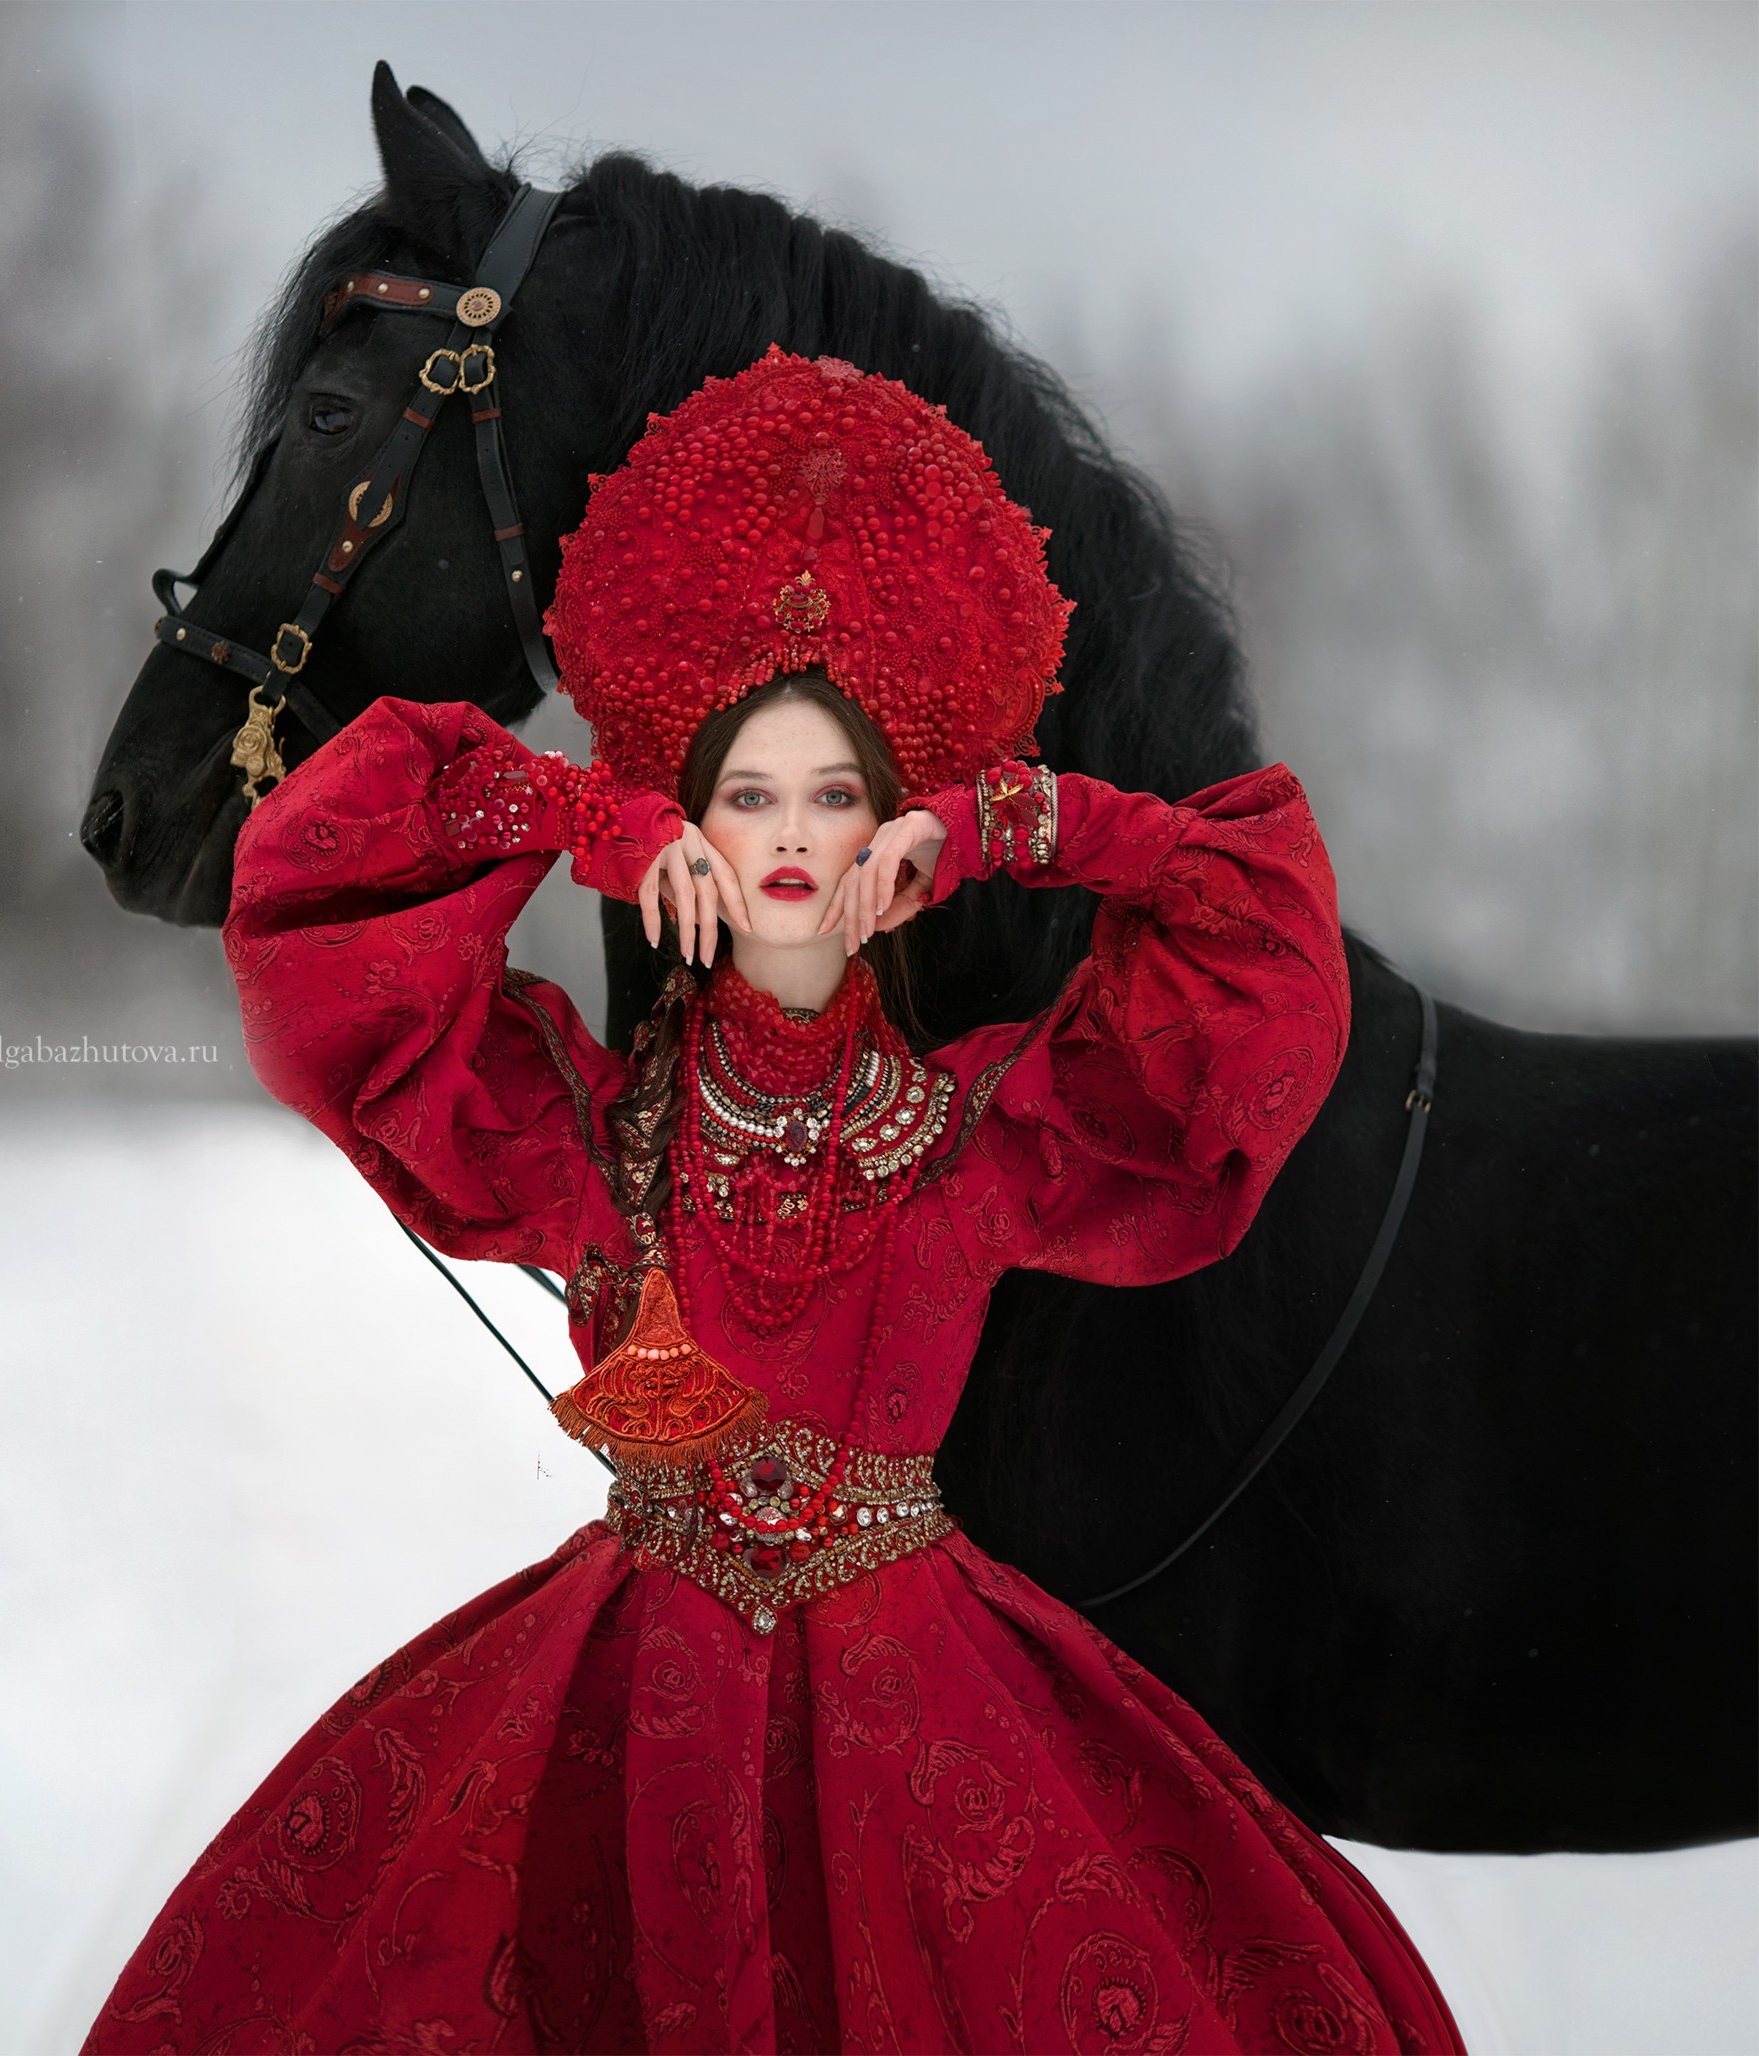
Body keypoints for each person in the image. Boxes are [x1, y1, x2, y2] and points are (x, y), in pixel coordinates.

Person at [85, 348, 1462, 2054]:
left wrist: (1025, 821)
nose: (794, 838)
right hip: (614, 1704)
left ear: (898, 840)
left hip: (922, 1709)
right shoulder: (585, 1134)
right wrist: (581, 817)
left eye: (839, 799)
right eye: (751, 797)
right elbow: (323, 907)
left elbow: (1255, 951)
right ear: (696, 828)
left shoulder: (982, 1132)